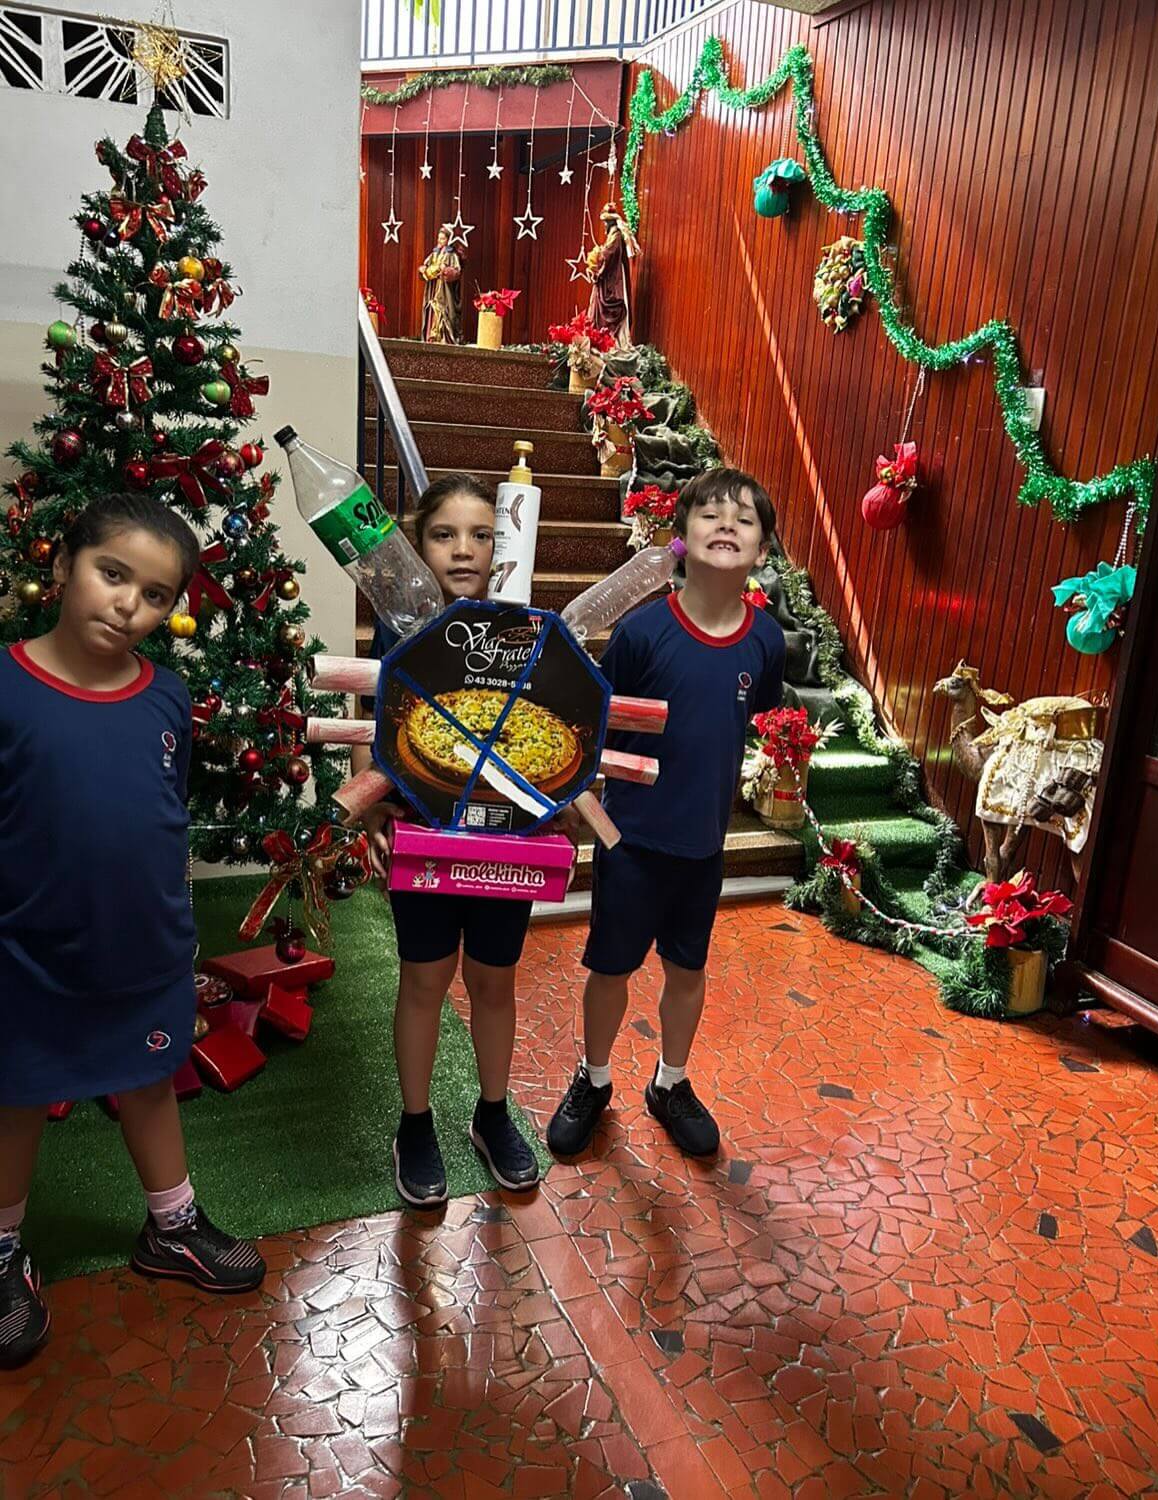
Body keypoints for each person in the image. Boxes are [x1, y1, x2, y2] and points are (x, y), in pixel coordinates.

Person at [0, 493, 265, 1370]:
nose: (128, 605)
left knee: (150, 1079)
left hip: (143, 948)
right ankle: (0, 1251)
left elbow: (160, 814)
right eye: (111, 574)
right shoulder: (6, 685)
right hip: (25, 954)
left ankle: (172, 1226)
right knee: (16, 1096)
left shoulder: (168, 696)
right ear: (61, 565)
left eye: (155, 595)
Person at [547, 468, 785, 1159]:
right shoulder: (643, 633)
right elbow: (599, 729)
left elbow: (751, 713)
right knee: (610, 969)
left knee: (687, 970)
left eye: (744, 518)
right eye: (710, 513)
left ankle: (670, 1082)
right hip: (630, 841)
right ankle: (593, 1079)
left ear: (762, 550)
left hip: (704, 845)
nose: (726, 524)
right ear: (680, 537)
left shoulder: (766, 641)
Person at [353, 473, 544, 1208]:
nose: (464, 549)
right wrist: (372, 807)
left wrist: (557, 808)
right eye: (444, 534)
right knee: (425, 979)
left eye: (481, 535)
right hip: (424, 836)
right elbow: (368, 721)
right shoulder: (398, 629)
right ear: (417, 545)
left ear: (504, 545)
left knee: (495, 981)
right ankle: (415, 1124)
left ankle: (492, 1114)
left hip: (505, 840)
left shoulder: (527, 629)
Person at [586, 200, 641, 350]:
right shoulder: (613, 235)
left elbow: (608, 255)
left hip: (613, 280)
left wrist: (597, 257)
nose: (604, 225)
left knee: (611, 308)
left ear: (611, 222)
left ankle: (613, 344)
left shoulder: (616, 236)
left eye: (606, 222)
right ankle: (601, 342)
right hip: (607, 278)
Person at [419, 226, 463, 344]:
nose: (440, 241)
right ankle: (431, 336)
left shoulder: (451, 254)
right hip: (433, 287)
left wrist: (446, 271)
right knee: (432, 308)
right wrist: (424, 269)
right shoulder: (435, 253)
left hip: (444, 289)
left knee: (443, 311)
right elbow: (426, 264)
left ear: (448, 240)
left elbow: (457, 271)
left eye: (443, 239)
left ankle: (443, 337)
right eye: (439, 238)